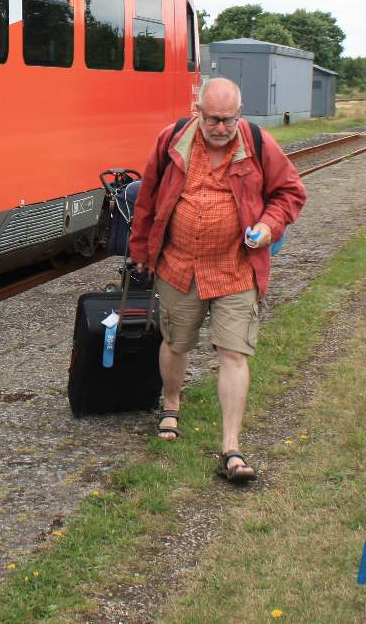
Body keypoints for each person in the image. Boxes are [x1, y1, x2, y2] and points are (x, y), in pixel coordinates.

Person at [129, 77, 306, 482]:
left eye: (229, 120)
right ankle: (171, 405)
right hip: (179, 266)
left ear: (239, 114)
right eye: (213, 120)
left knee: (234, 353)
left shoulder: (259, 143)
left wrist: (268, 225)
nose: (221, 128)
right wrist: (141, 252)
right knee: (176, 343)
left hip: (236, 268)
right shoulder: (172, 140)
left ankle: (231, 447)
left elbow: (290, 193)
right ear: (198, 113)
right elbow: (148, 198)